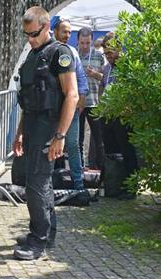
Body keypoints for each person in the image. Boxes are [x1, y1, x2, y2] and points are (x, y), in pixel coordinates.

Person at [13, 6, 78, 260]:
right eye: (26, 34)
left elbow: (72, 95)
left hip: (48, 126)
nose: (30, 39)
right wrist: (19, 133)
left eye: (34, 33)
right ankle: (46, 233)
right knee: (41, 181)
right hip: (31, 125)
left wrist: (59, 136)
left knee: (36, 184)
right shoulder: (33, 54)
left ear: (46, 25)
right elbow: (28, 100)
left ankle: (37, 241)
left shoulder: (59, 54)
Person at [99, 32, 139, 197]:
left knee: (127, 151)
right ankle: (114, 184)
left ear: (119, 48)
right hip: (108, 116)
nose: (108, 57)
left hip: (124, 116)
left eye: (110, 53)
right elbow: (103, 85)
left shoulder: (129, 66)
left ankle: (130, 188)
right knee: (111, 152)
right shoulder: (107, 68)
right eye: (106, 54)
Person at [53, 18, 88, 190]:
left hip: (70, 109)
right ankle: (47, 185)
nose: (67, 35)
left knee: (73, 146)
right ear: (55, 32)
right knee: (49, 145)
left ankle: (79, 185)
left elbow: (81, 77)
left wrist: (82, 97)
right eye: (64, 31)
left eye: (69, 32)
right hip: (51, 109)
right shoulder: (49, 51)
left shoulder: (72, 52)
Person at [77, 27, 106, 171]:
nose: (84, 46)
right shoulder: (74, 55)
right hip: (78, 103)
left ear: (92, 41)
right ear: (78, 41)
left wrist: (94, 73)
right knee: (78, 138)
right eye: (82, 43)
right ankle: (80, 167)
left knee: (99, 138)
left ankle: (102, 168)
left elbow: (106, 78)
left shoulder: (99, 56)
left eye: (87, 43)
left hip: (94, 103)